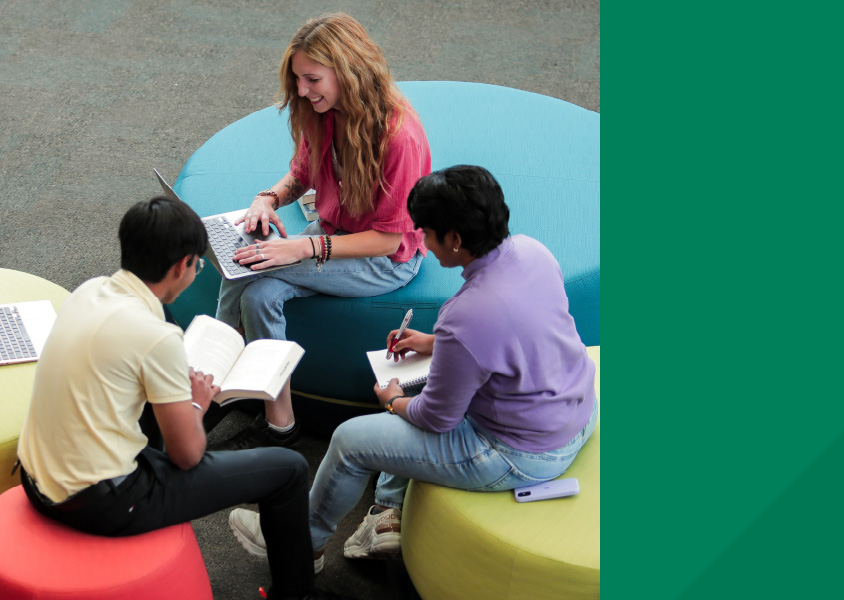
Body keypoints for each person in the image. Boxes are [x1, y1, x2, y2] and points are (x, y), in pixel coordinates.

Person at [228, 165, 597, 568]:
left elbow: (436, 418)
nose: (420, 241)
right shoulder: (532, 251)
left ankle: (300, 542)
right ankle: (387, 514)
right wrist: (437, 345)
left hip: (520, 453)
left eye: (426, 231)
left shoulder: (466, 314)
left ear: (454, 239)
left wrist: (393, 401)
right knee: (423, 371)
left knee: (351, 441)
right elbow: (519, 332)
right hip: (578, 411)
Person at [15, 196, 349, 600]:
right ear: (181, 267)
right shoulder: (158, 338)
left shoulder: (91, 290)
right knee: (290, 469)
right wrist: (198, 402)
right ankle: (296, 594)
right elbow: (187, 457)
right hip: (97, 502)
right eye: (198, 263)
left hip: (37, 476)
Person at [213, 12, 431, 450]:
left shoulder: (399, 137)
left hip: (383, 261)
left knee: (246, 264)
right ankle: (282, 427)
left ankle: (214, 368)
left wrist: (302, 247)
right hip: (330, 230)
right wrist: (267, 200)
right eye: (297, 79)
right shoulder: (325, 111)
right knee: (257, 293)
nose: (301, 90)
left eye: (311, 79)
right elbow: (302, 173)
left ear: (346, 70)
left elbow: (389, 240)